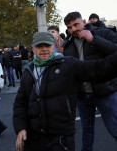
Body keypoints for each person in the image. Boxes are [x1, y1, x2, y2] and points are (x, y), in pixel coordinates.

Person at [13, 31, 117, 151]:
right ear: (32, 48)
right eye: (39, 46)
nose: (44, 49)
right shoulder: (28, 71)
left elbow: (98, 69)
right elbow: (20, 103)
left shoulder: (68, 64)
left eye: (47, 45)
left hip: (61, 138)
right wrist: (20, 128)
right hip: (34, 138)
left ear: (54, 46)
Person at [63, 11, 117, 151]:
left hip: (105, 90)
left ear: (84, 22)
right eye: (70, 27)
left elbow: (115, 52)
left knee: (114, 127)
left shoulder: (103, 33)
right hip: (82, 95)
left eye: (76, 24)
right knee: (86, 130)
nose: (73, 29)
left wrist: (94, 40)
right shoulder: (68, 45)